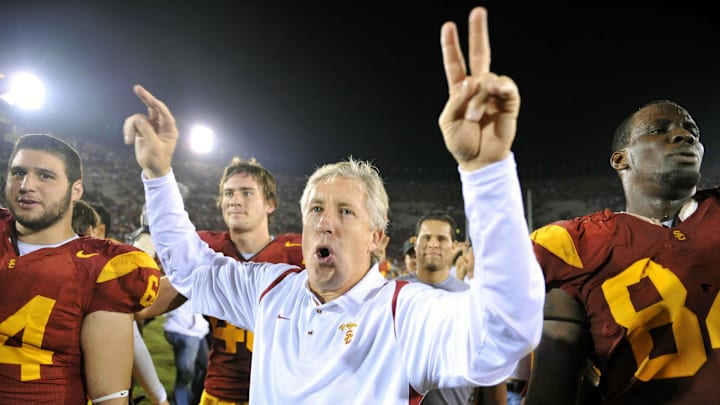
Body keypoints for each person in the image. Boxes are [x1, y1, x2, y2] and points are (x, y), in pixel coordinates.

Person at [124, 5, 544, 403]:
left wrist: (487, 171)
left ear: (377, 239)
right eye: (316, 210)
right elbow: (188, 268)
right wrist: (159, 173)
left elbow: (505, 333)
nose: (326, 222)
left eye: (346, 211)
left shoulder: (404, 312)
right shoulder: (271, 289)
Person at [524, 99, 719, 404]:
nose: (684, 135)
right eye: (659, 130)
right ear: (621, 159)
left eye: (692, 131)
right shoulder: (576, 247)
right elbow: (551, 391)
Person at [0, 133, 161, 404]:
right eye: (18, 173)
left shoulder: (98, 267)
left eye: (45, 176)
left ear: (76, 190)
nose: (26, 185)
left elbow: (108, 396)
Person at [136, 156, 304, 405]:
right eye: (228, 193)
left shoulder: (297, 252)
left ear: (270, 204)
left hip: (279, 395)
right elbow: (148, 303)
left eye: (247, 193)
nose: (235, 200)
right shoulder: (207, 249)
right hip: (220, 392)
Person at [396, 211, 506, 405]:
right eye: (426, 237)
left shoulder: (472, 300)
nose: (433, 244)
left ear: (454, 246)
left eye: (441, 238)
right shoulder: (391, 294)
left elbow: (491, 369)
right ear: (416, 243)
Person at [72, 200, 170, 405]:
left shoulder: (28, 266)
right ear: (94, 229)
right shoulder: (100, 278)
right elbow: (132, 338)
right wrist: (159, 397)